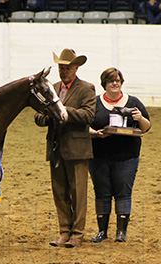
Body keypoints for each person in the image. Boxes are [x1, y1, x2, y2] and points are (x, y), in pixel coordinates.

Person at [34, 48, 96, 248]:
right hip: (56, 147)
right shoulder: (52, 87)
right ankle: (64, 232)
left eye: (68, 68)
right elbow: (39, 115)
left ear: (76, 68)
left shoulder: (86, 88)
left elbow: (88, 115)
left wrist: (64, 111)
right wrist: (46, 115)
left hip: (77, 148)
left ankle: (77, 234)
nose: (64, 71)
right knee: (59, 192)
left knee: (78, 194)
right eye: (61, 68)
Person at [89, 67, 151, 243]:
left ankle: (121, 232)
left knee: (123, 192)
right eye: (111, 81)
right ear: (104, 84)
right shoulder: (94, 103)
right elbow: (84, 125)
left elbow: (146, 128)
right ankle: (102, 231)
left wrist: (139, 118)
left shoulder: (133, 102)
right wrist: (94, 133)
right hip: (98, 156)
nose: (115, 83)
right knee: (101, 192)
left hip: (127, 157)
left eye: (117, 80)